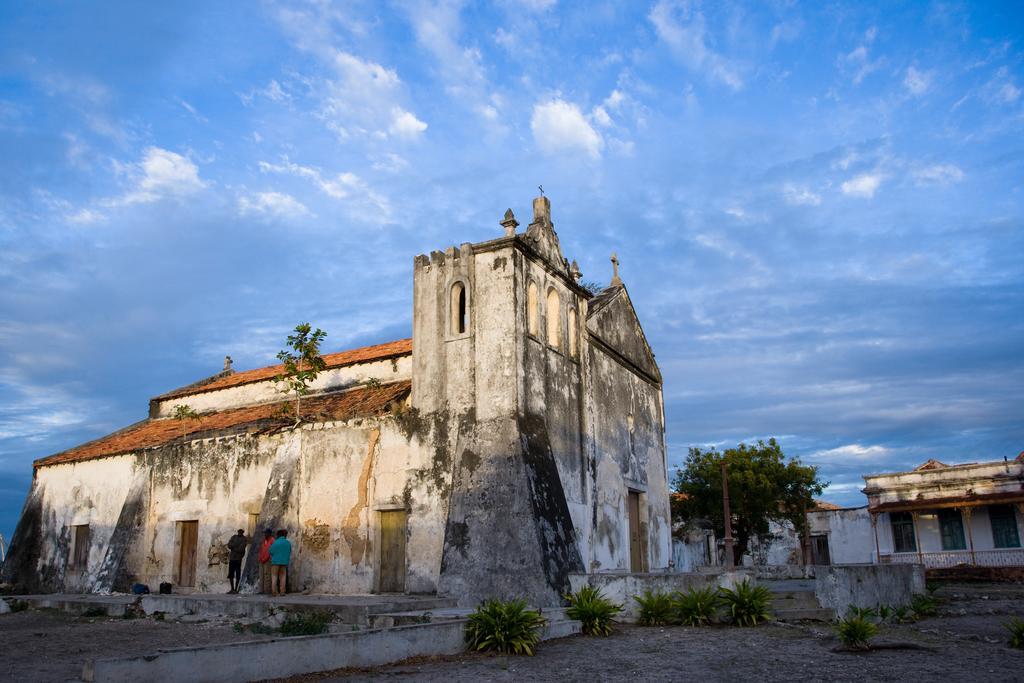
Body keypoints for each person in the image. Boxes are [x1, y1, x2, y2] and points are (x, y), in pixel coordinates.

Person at [269, 529, 292, 597]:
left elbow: (270, 551)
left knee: (274, 576)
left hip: (275, 562)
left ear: (278, 535)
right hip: (284, 562)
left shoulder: (276, 542)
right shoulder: (288, 543)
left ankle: (274, 592)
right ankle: (282, 592)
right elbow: (289, 551)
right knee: (283, 577)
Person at [226, 529, 249, 594]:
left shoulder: (244, 539)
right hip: (232, 558)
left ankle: (236, 589)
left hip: (238, 559)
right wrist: (236, 546)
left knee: (238, 574)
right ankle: (232, 589)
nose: (239, 533)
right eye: (239, 532)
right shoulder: (234, 537)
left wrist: (233, 547)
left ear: (242, 533)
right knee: (231, 574)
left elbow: (241, 549)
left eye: (241, 532)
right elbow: (229, 545)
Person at [257, 529, 275, 594]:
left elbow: (271, 551)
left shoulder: (272, 541)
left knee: (267, 575)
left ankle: (267, 590)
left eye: (266, 533)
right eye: (264, 533)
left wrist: (265, 558)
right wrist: (260, 558)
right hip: (261, 560)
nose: (265, 534)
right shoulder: (264, 540)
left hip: (268, 560)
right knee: (261, 575)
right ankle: (261, 590)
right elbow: (260, 550)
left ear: (269, 534)